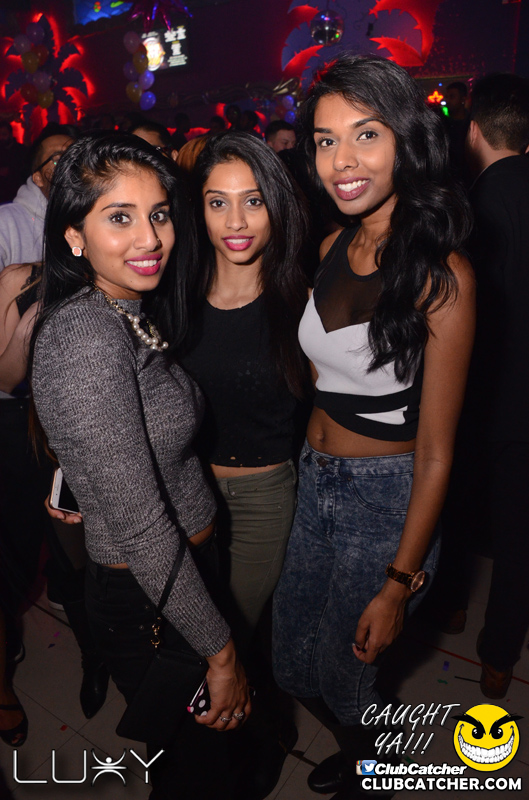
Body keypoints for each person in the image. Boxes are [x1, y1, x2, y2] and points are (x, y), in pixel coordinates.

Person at [272, 53, 475, 799]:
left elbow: (438, 452)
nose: (342, 160)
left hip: (385, 500)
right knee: (290, 665)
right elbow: (321, 375)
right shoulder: (331, 246)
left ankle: (375, 770)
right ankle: (364, 749)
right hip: (313, 480)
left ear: (405, 141)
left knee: (346, 672)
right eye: (325, 140)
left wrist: (398, 584)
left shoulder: (442, 275)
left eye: (365, 134)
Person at [30, 132, 250, 799]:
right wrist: (220, 652)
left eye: (158, 214)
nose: (150, 237)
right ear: (74, 235)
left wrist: (79, 474)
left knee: (198, 763)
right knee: (198, 774)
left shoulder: (122, 308)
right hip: (154, 594)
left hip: (183, 573)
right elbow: (143, 529)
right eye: (119, 217)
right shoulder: (86, 336)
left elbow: (118, 432)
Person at [181, 131, 309, 653]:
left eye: (253, 201)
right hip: (184, 492)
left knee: (231, 641)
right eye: (218, 203)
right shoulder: (175, 299)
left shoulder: (302, 304)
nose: (236, 221)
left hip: (263, 501)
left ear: (275, 206)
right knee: (186, 641)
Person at [462, 73, 529, 699]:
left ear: (475, 131)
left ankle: (453, 613)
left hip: (490, 399)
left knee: (462, 510)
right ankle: (499, 656)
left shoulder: (475, 207)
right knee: (517, 535)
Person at [0, 124, 76, 271]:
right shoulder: (6, 223)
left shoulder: (97, 220)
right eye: (58, 159)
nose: (71, 165)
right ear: (38, 178)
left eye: (78, 158)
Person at [0, 120, 29, 205]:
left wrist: (11, 170)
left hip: (18, 195)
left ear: (11, 134)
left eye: (4, 134)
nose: (1, 138)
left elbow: (26, 171)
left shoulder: (21, 150)